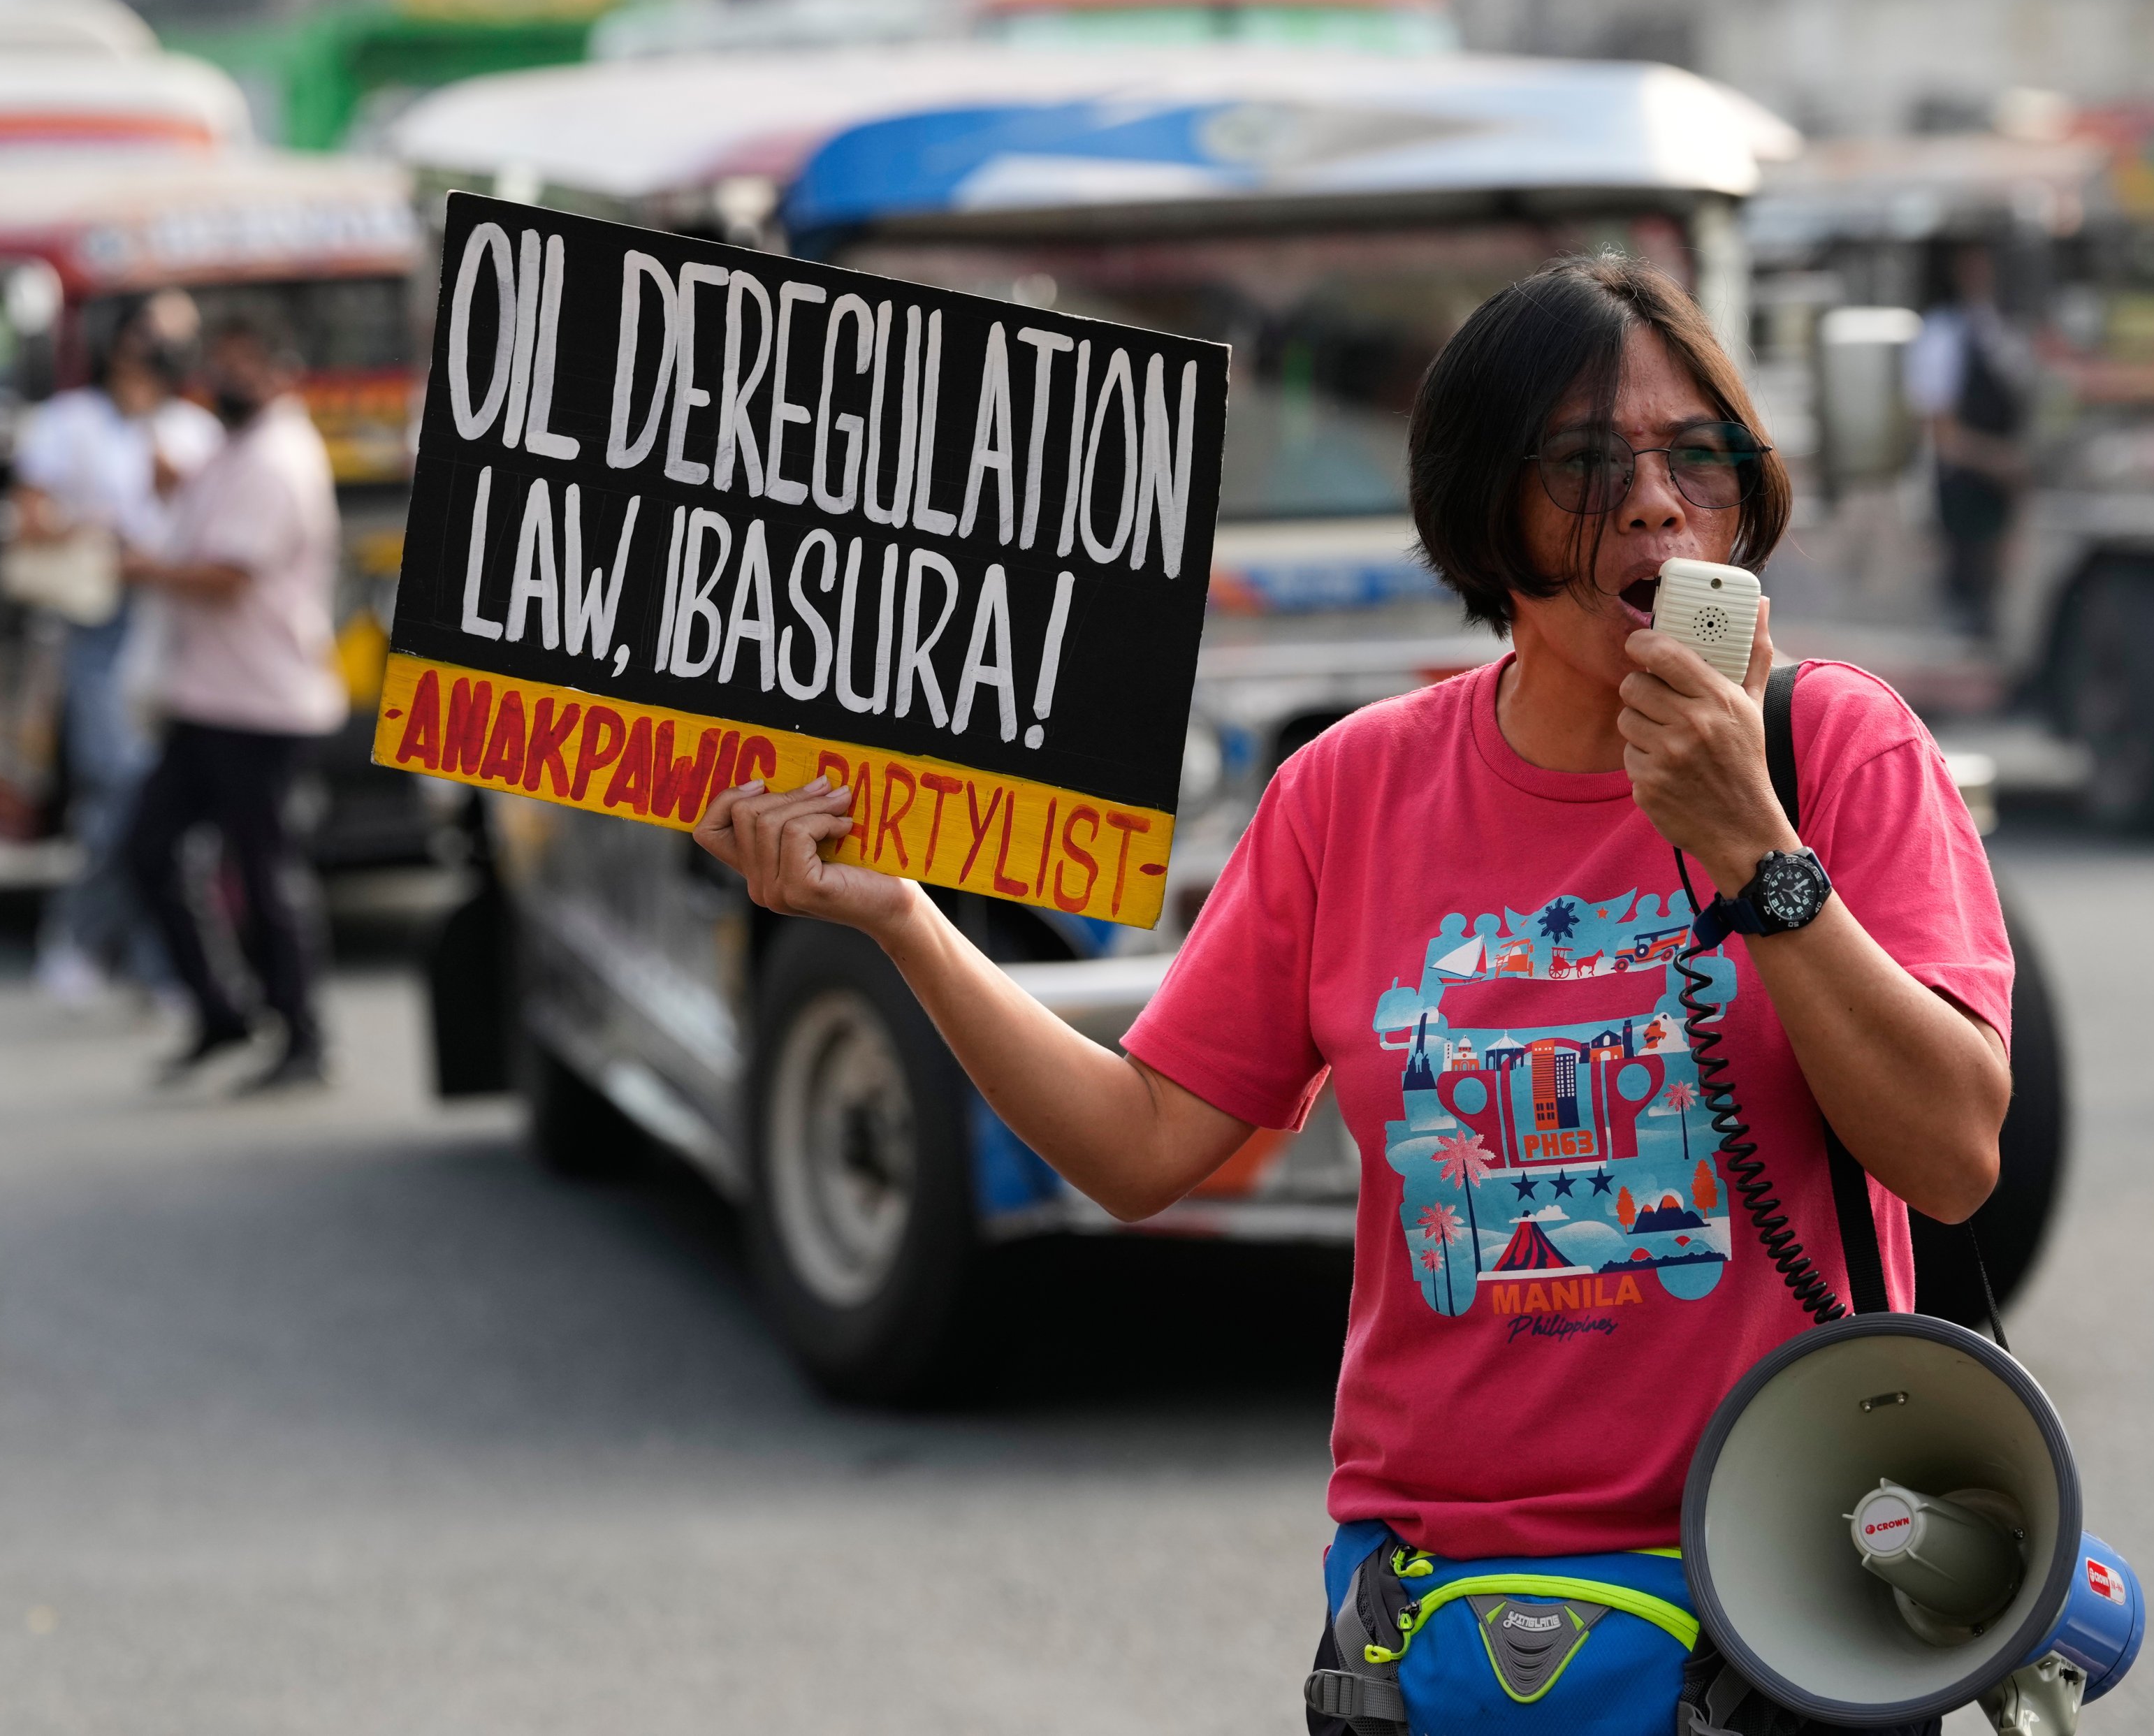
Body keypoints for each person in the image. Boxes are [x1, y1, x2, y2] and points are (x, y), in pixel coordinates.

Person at [692, 254, 2012, 1730]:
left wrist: (1750, 847)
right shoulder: (1351, 793)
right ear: (1484, 512)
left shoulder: (1833, 751)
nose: (1654, 503)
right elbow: (1140, 1144)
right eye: (1583, 463)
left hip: (1776, 1614)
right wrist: (909, 926)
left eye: (1696, 454)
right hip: (1431, 1641)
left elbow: (1951, 1152)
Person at [121, 307, 348, 1094]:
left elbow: (229, 573)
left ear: (283, 371)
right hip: (207, 696)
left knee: (265, 874)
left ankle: (302, 1034)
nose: (227, 379)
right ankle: (222, 1011)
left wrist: (137, 572)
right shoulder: (236, 446)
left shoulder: (278, 457)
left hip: (262, 703)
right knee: (149, 850)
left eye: (245, 366)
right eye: (221, 363)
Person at [15, 297, 222, 1005]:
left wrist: (179, 493)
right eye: (154, 335)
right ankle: (120, 951)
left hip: (178, 620)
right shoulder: (67, 423)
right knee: (121, 787)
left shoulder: (195, 431)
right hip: (100, 617)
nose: (168, 350)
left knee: (161, 798)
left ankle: (133, 955)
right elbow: (28, 520)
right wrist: (94, 525)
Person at [1905, 242, 2039, 638]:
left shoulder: (2008, 330)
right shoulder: (1941, 336)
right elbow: (1940, 432)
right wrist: (2001, 462)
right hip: (1966, 490)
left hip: (2009, 490)